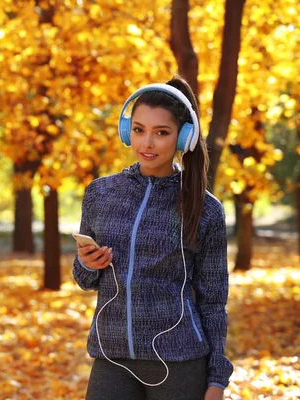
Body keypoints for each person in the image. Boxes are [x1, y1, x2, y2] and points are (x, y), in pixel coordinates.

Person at [73, 75, 233, 400]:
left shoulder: (205, 209)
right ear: (126, 131)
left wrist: (217, 378)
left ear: (183, 137)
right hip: (111, 355)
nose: (147, 143)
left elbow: (214, 301)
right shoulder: (100, 194)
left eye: (161, 133)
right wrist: (86, 264)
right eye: (139, 130)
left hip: (179, 360)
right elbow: (85, 280)